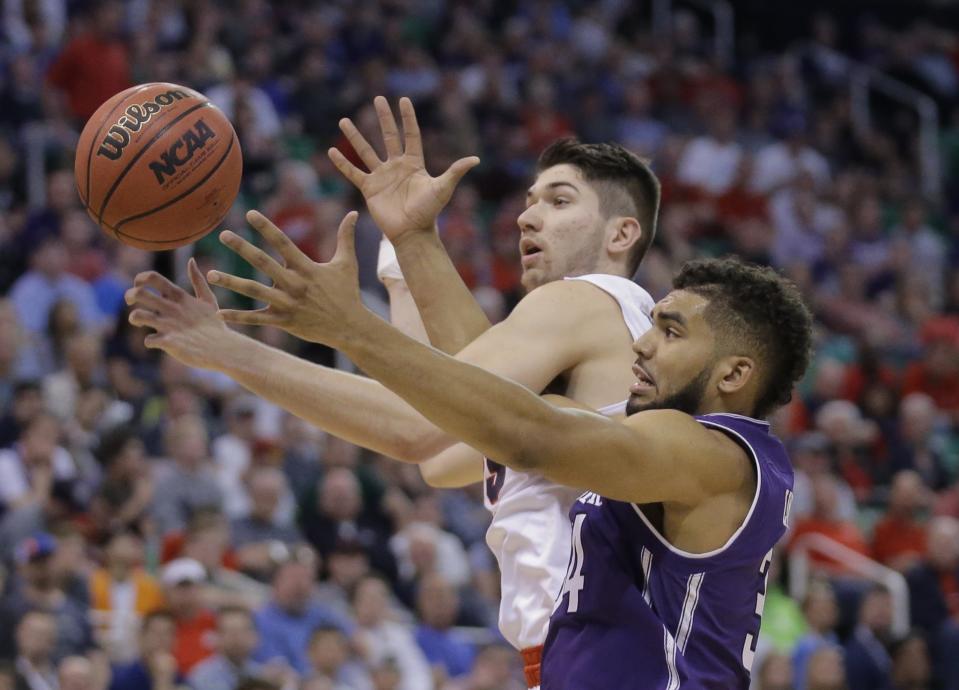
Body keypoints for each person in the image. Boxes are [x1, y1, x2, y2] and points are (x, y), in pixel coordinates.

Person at [126, 96, 660, 688]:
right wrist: (411, 243)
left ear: (622, 233)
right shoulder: (594, 342)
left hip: (609, 656)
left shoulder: (587, 298)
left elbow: (418, 428)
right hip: (585, 656)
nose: (527, 218)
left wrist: (238, 350)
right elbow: (442, 451)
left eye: (559, 202)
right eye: (530, 202)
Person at [178, 234, 811, 687]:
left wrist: (352, 331)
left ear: (734, 373)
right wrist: (234, 355)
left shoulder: (712, 452)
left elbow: (522, 432)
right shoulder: (655, 441)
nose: (642, 342)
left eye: (671, 332)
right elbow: (450, 423)